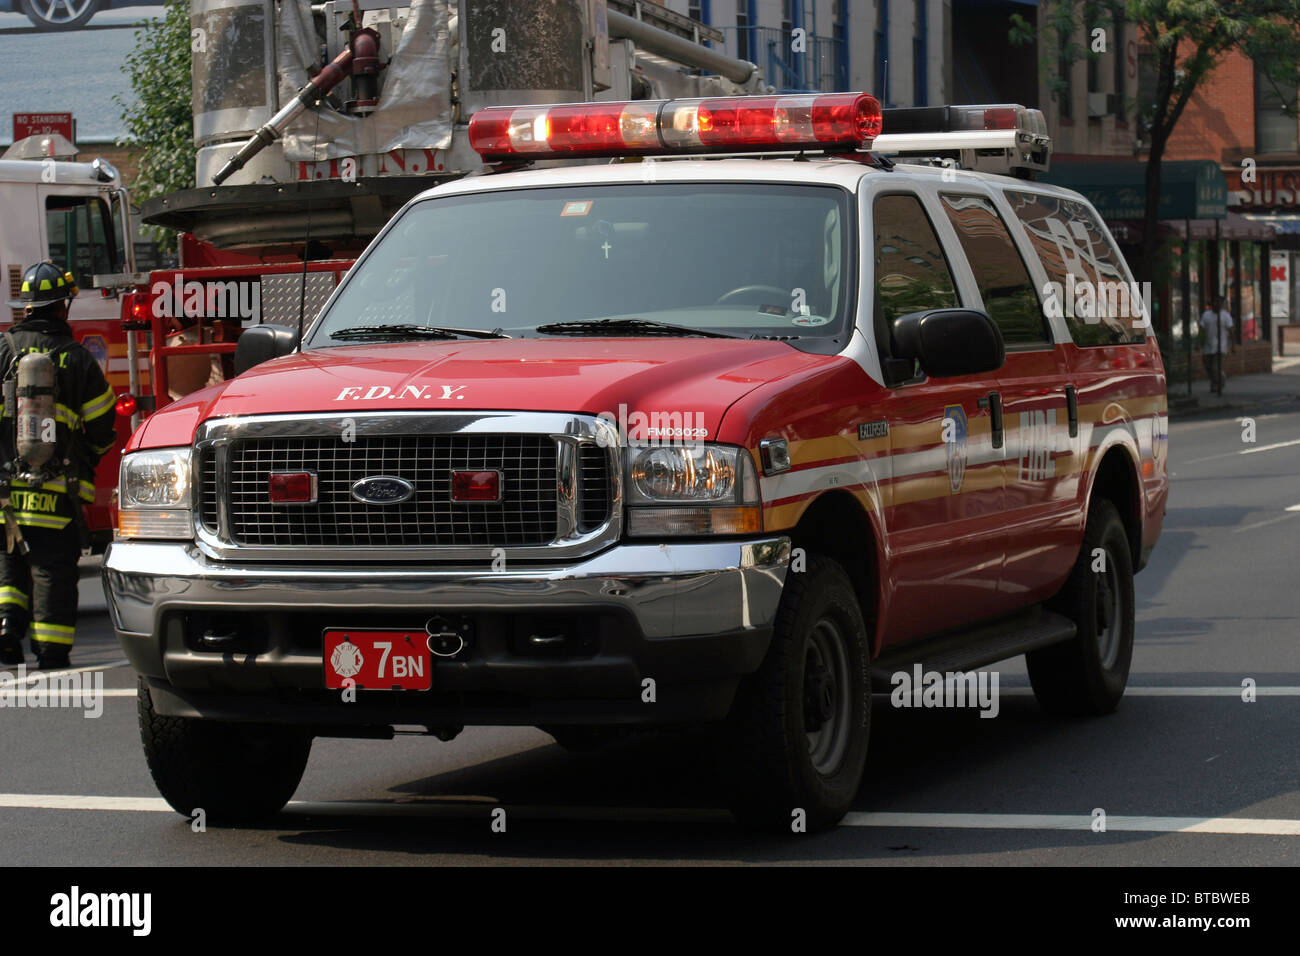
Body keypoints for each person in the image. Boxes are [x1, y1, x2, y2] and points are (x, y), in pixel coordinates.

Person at [0, 262, 116, 669]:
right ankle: (50, 652)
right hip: (56, 490)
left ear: (27, 307)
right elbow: (104, 425)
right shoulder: (77, 358)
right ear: (63, 307)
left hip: (5, 491)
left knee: (10, 562)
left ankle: (7, 631)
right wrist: (84, 462)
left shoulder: (4, 350)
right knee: (52, 569)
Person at [1199, 295, 1234, 395]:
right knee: (1208, 367)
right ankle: (1219, 379)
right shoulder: (1206, 315)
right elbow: (1201, 329)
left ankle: (1217, 384)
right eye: (1215, 302)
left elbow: (1231, 330)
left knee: (1215, 368)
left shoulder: (1225, 316)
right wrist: (1198, 343)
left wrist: (1233, 345)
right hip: (1208, 346)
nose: (1217, 304)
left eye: (1219, 302)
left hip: (1221, 347)